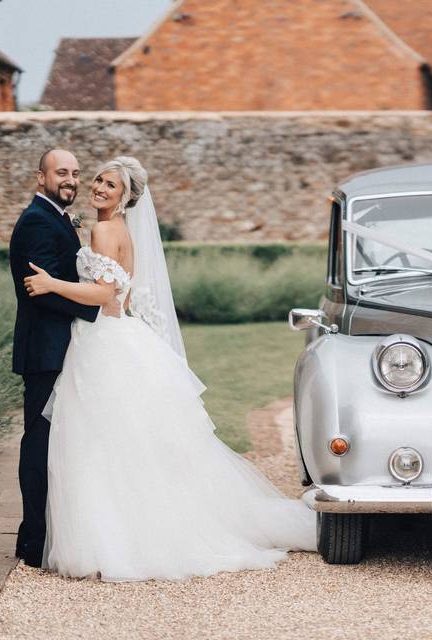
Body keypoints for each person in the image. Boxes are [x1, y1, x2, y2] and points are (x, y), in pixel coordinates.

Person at [22, 156, 315, 581]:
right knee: (121, 441)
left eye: (111, 186)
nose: (100, 188)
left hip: (103, 341)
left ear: (125, 198)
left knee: (100, 441)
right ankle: (129, 529)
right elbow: (121, 292)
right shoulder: (114, 229)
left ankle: (116, 539)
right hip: (113, 336)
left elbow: (105, 294)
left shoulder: (105, 229)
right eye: (99, 180)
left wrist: (52, 283)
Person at [8, 149, 120, 568]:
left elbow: (59, 282)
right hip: (46, 351)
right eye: (62, 173)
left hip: (65, 348)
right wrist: (97, 308)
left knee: (62, 442)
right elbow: (37, 292)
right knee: (37, 444)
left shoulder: (57, 216)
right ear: (41, 177)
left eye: (75, 172)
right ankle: (33, 541)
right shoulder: (37, 220)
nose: (71, 179)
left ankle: (52, 530)